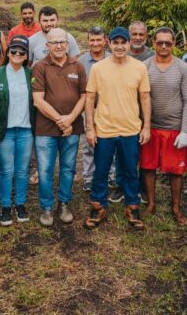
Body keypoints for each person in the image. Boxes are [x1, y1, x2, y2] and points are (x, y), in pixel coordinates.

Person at [84, 27, 151, 231]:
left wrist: (146, 126)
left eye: (124, 42)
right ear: (108, 43)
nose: (120, 46)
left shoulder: (139, 67)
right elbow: (90, 98)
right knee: (101, 170)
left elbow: (145, 98)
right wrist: (90, 128)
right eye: (116, 42)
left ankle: (132, 206)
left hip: (130, 129)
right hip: (104, 128)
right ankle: (98, 206)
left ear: (129, 44)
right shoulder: (98, 68)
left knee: (130, 170)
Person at [32, 28, 87, 226]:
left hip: (72, 128)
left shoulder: (77, 66)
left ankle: (64, 203)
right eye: (54, 42)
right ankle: (46, 207)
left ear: (67, 43)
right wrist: (61, 121)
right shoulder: (40, 67)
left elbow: (84, 96)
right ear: (47, 46)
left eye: (62, 42)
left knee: (68, 168)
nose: (58, 45)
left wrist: (71, 119)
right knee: (45, 169)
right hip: (46, 129)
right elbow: (38, 100)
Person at [142, 27, 187, 223]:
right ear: (153, 43)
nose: (164, 46)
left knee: (176, 170)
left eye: (168, 43)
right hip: (150, 126)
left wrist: (185, 131)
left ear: (174, 44)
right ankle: (151, 203)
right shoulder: (145, 66)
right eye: (160, 42)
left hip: (174, 127)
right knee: (148, 166)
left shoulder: (183, 68)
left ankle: (176, 207)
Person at [0, 35, 35, 225]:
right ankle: (6, 206)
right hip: (4, 131)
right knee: (7, 171)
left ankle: (21, 204)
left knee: (23, 171)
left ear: (26, 56)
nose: (17, 54)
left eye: (21, 52)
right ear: (8, 53)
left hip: (25, 130)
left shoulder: (30, 75)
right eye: (13, 51)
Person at [78, 26, 110, 192]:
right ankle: (89, 176)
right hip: (89, 107)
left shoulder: (112, 59)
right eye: (92, 40)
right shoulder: (81, 62)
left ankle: (110, 175)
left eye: (99, 40)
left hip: (110, 108)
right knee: (89, 143)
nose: (95, 43)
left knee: (109, 141)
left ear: (105, 40)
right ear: (88, 41)